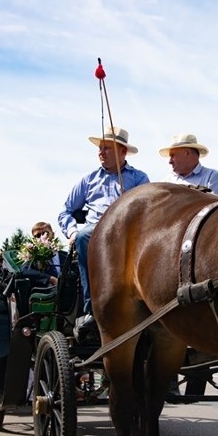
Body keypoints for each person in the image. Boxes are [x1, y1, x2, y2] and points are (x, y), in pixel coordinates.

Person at [58, 126, 149, 332]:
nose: (101, 152)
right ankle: (92, 309)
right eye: (100, 148)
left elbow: (148, 211)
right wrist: (71, 231)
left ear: (123, 151)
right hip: (96, 232)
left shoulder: (139, 179)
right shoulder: (88, 180)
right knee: (82, 236)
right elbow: (65, 211)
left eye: (107, 148)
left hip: (129, 232)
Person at [160, 133, 218, 197]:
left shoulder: (212, 177)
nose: (170, 161)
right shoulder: (166, 181)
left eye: (172, 156)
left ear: (187, 153)